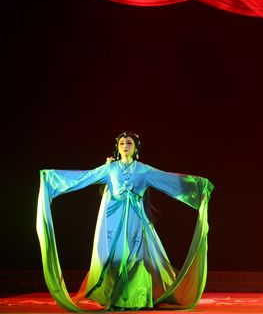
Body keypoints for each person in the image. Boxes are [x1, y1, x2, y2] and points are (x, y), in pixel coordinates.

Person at [36, 132, 214, 311]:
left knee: (136, 258)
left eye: (129, 143)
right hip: (113, 220)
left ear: (135, 148)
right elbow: (85, 177)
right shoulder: (110, 169)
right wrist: (52, 178)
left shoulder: (144, 170)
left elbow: (167, 179)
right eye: (122, 143)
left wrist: (197, 185)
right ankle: (116, 298)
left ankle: (136, 299)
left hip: (136, 219)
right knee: (116, 258)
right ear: (117, 147)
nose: (125, 146)